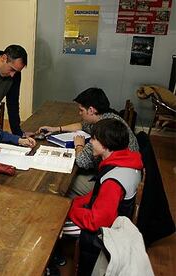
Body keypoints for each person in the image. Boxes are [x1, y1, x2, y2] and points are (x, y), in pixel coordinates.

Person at [61, 118, 143, 275]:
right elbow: (96, 195)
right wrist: (71, 204)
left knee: (54, 224)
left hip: (107, 231)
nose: (90, 142)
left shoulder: (113, 182)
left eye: (93, 139)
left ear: (105, 145)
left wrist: (68, 211)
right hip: (113, 219)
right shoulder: (126, 161)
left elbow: (96, 221)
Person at [37, 87, 139, 197]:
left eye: (81, 110)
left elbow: (81, 160)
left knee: (60, 185)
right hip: (123, 173)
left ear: (91, 110)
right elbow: (82, 125)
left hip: (113, 183)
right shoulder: (107, 117)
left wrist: (79, 145)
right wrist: (56, 129)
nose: (79, 113)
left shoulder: (104, 130)